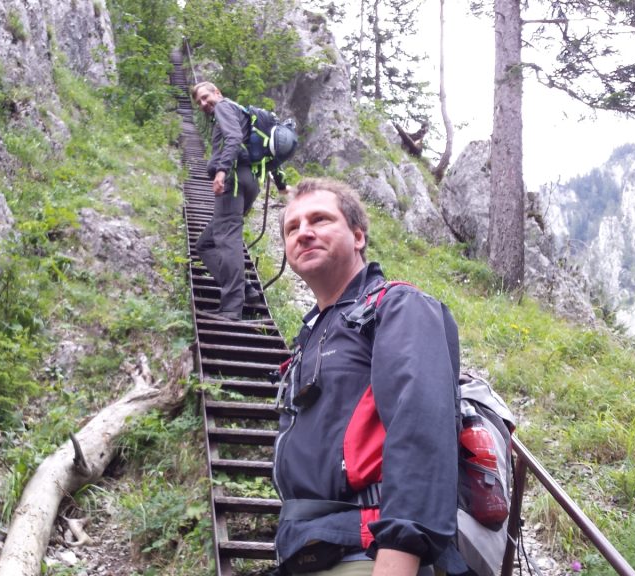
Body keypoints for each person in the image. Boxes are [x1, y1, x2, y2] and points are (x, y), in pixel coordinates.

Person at [273, 178, 461, 576]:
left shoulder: (398, 306)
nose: (304, 232)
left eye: (320, 219)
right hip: (308, 551)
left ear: (358, 236)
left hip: (369, 553)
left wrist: (399, 555)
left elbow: (421, 429)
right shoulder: (313, 335)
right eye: (293, 227)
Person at [191, 81, 261, 321]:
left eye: (204, 97)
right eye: (198, 101)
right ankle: (245, 289)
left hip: (233, 180)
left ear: (217, 92)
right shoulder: (238, 110)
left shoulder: (223, 107)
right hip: (246, 179)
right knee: (205, 244)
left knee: (227, 240)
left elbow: (233, 138)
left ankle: (231, 308)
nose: (203, 103)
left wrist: (221, 171)